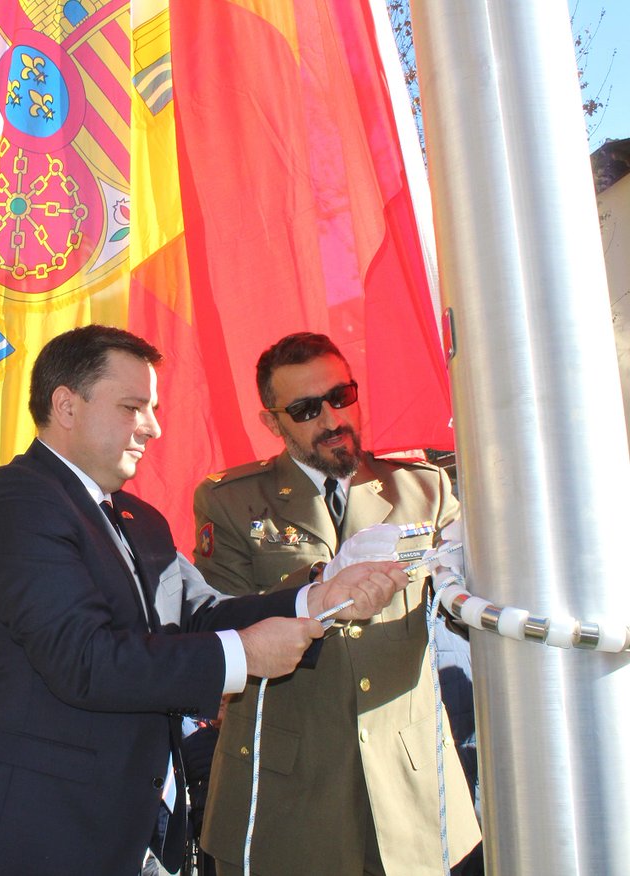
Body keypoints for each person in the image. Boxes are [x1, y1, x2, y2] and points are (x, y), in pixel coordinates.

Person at [0, 325, 408, 875]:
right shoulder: (16, 501)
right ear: (66, 406)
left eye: (152, 407)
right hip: (35, 835)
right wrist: (242, 655)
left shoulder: (138, 520)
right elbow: (83, 660)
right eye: (134, 407)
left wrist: (319, 598)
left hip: (129, 834)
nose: (153, 427)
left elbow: (203, 613)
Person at [192, 331, 482, 874]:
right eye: (305, 409)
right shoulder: (232, 500)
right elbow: (217, 617)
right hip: (287, 788)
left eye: (340, 396)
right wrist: (323, 579)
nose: (331, 419)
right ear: (273, 423)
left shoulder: (421, 489)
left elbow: (461, 597)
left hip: (407, 781)